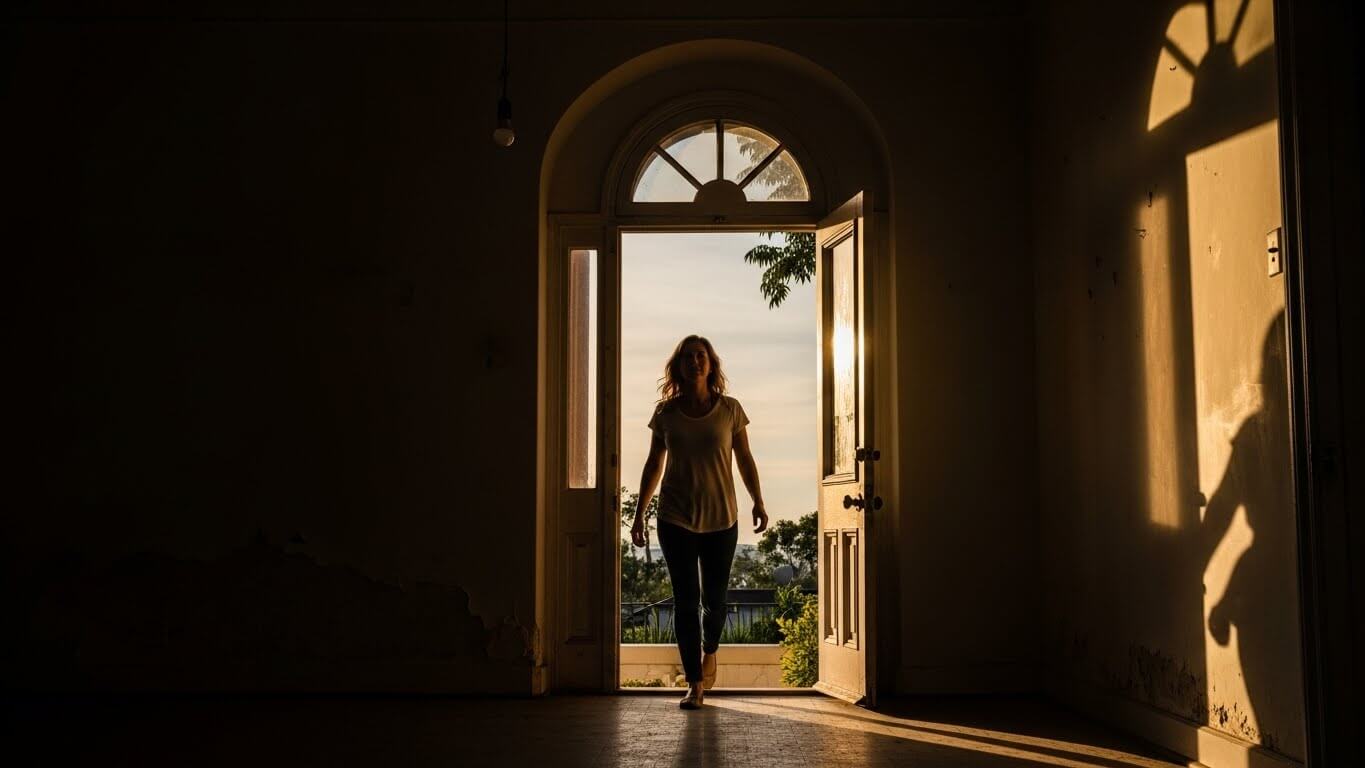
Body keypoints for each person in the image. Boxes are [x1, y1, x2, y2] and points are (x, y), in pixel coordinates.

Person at [631, 334, 768, 710]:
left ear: (711, 364)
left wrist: (758, 500)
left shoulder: (730, 410)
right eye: (688, 357)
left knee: (716, 602)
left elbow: (745, 459)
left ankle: (711, 649)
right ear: (678, 365)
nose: (695, 361)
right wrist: (640, 514)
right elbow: (653, 466)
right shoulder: (665, 414)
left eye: (701, 356)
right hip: (675, 519)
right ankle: (695, 683)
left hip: (722, 520)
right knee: (686, 603)